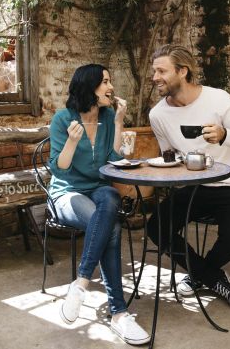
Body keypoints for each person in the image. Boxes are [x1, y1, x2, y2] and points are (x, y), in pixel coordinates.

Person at [146, 44, 230, 308]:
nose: (155, 78)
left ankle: (199, 273)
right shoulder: (158, 114)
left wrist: (225, 136)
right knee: (156, 226)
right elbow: (169, 156)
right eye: (154, 71)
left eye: (161, 71)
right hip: (194, 187)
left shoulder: (218, 98)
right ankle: (210, 276)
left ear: (182, 71)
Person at [48, 63, 150, 346]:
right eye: (104, 82)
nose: (111, 87)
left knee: (109, 199)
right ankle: (119, 313)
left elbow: (113, 159)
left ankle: (80, 284)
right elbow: (59, 170)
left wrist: (118, 122)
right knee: (110, 224)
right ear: (88, 86)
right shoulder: (62, 119)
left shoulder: (106, 116)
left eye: (110, 81)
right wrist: (71, 141)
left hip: (98, 189)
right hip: (67, 192)